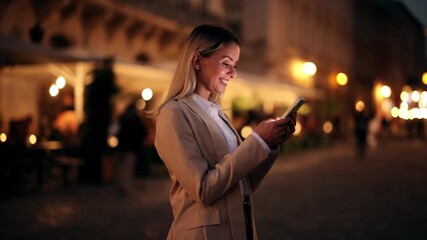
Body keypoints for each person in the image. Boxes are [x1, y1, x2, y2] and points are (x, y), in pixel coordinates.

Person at [152, 24, 297, 240]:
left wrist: (269, 143)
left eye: (235, 65)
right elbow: (203, 190)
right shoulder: (174, 114)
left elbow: (241, 182)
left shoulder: (218, 114)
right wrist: (256, 140)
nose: (233, 73)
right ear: (197, 61)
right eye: (226, 64)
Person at [116, 101, 147, 195]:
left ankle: (122, 186)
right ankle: (126, 187)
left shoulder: (122, 118)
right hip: (131, 148)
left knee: (122, 168)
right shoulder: (135, 119)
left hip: (122, 147)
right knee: (128, 168)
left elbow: (117, 132)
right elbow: (142, 132)